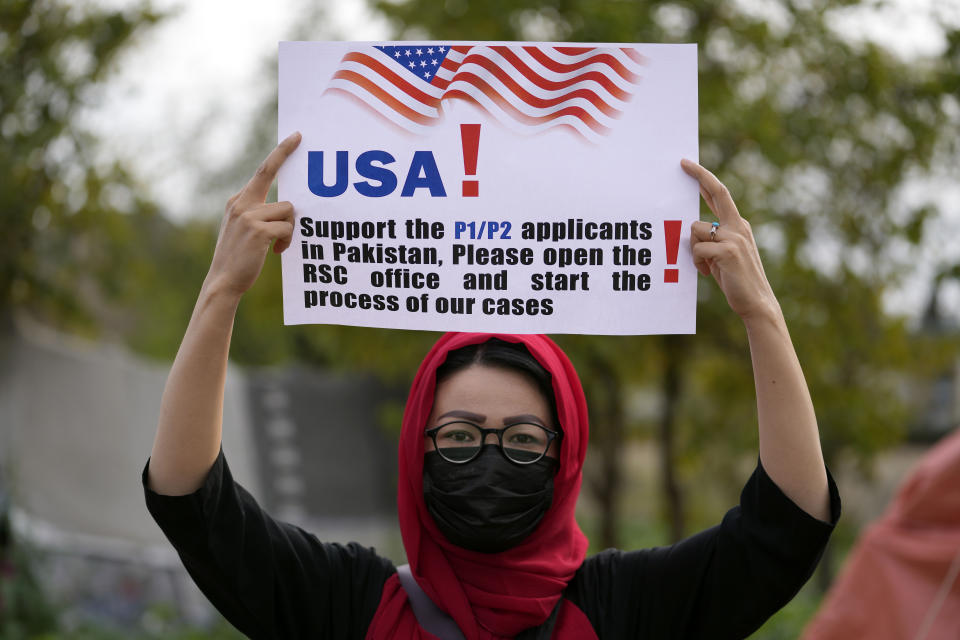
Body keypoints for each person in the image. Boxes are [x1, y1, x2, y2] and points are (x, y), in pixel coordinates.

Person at [144, 132, 840, 639]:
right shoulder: (349, 605)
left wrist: (760, 313)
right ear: (418, 446)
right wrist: (220, 294)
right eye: (459, 436)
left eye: (522, 438)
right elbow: (188, 498)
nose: (488, 455)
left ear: (563, 457)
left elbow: (789, 524)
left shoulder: (626, 609)